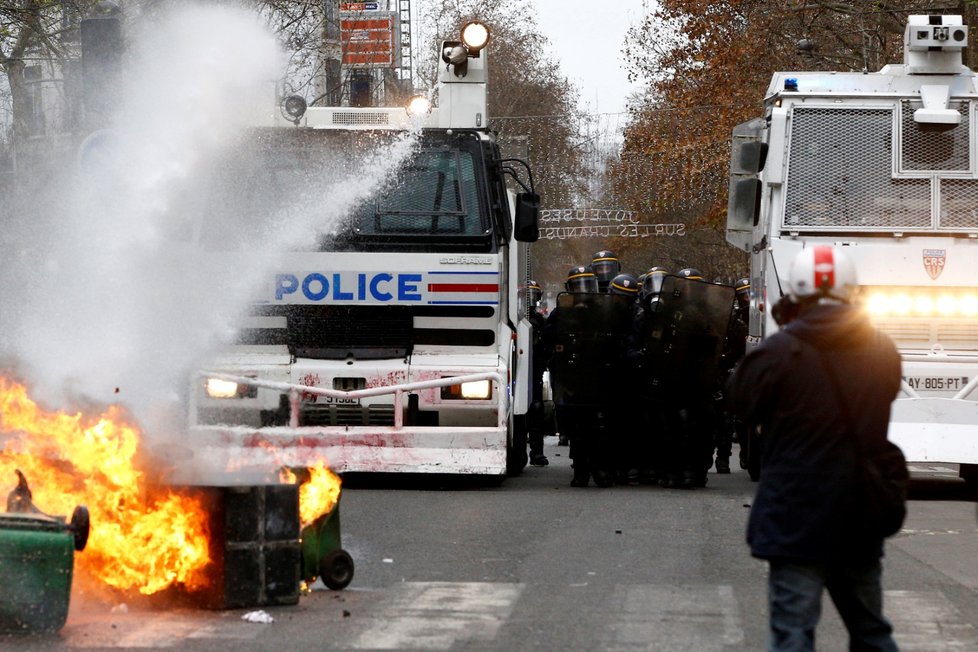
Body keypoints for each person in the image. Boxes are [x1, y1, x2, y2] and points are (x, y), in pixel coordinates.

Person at [726, 245, 901, 651]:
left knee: (793, 632)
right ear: (852, 292)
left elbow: (740, 401)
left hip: (795, 512)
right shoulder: (881, 350)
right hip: (860, 507)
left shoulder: (779, 351)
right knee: (871, 630)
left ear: (796, 292)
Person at [525, 280, 549, 467]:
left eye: (534, 296)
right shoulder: (515, 319)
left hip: (534, 372)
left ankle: (537, 451)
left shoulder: (540, 321)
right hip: (519, 372)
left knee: (536, 409)